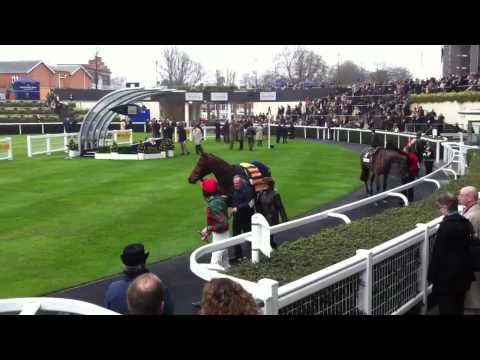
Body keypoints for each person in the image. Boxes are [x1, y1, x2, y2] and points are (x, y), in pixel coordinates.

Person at [428, 192, 475, 315]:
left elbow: (438, 253)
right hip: (464, 275)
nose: (440, 211)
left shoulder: (446, 226)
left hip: (447, 278)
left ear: (445, 207)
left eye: (440, 208)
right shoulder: (465, 222)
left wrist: (431, 275)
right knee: (458, 307)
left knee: (447, 308)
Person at [104, 243, 174, 315]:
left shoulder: (113, 289)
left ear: (124, 264)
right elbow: (169, 311)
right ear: (143, 263)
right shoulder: (157, 287)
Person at [459, 186, 480, 314]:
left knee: (473, 299)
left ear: (469, 198)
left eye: (461, 195)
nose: (459, 197)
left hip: (473, 263)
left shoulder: (472, 216)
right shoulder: (474, 212)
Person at [200, 178, 230, 269]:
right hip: (221, 235)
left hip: (221, 237)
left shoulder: (214, 204)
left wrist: (208, 228)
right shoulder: (218, 199)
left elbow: (223, 223)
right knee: (225, 263)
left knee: (214, 266)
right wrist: (208, 231)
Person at [255, 177, 288, 249]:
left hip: (271, 217)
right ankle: (272, 246)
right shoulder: (261, 193)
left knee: (268, 235)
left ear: (269, 185)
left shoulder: (275, 195)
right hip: (263, 216)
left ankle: (271, 247)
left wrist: (284, 219)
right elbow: (258, 204)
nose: (262, 186)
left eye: (264, 184)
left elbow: (280, 207)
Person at [231, 175, 255, 261]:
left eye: (237, 183)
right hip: (237, 218)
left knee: (249, 235)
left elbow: (250, 204)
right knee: (235, 237)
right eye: (234, 183)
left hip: (246, 218)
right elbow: (233, 201)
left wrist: (238, 208)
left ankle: (256, 252)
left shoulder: (248, 191)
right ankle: (238, 256)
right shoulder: (234, 191)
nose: (235, 185)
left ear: (241, 183)